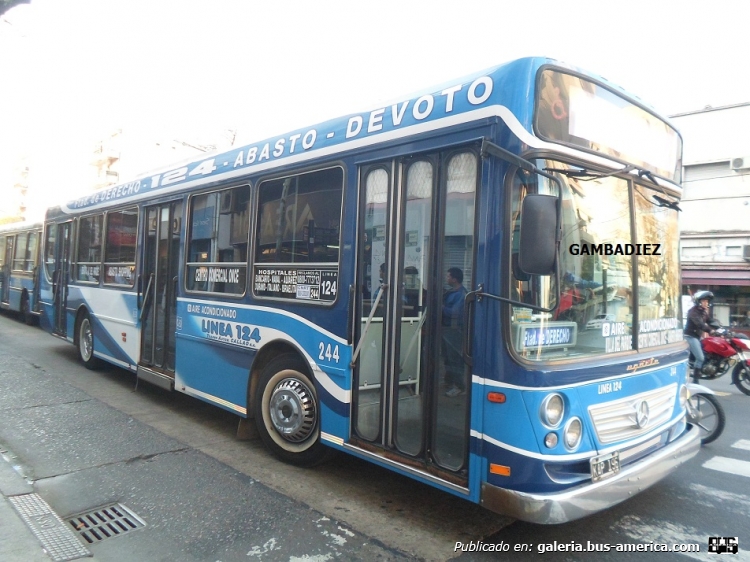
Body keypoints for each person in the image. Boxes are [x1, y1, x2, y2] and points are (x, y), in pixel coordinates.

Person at [442, 267, 467, 397]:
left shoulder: (461, 295)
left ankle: (459, 386)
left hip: (455, 330)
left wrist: (442, 308)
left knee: (455, 359)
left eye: (448, 276)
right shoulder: (451, 292)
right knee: (447, 358)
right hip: (446, 329)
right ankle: (450, 381)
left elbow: (455, 313)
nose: (447, 279)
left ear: (454, 279)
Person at [684, 290, 714, 383]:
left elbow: (711, 321)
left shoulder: (703, 312)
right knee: (700, 358)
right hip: (690, 336)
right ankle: (696, 381)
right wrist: (710, 330)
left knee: (708, 352)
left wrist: (722, 329)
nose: (706, 303)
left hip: (697, 336)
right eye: (704, 301)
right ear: (699, 301)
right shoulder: (693, 312)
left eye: (707, 301)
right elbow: (700, 324)